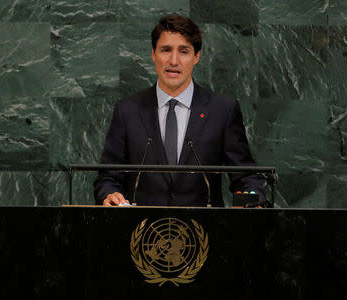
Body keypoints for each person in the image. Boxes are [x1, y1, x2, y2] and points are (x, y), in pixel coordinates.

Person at [93, 15, 265, 207]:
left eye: (184, 51)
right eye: (166, 50)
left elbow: (245, 177)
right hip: (144, 232)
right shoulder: (127, 111)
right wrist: (110, 194)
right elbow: (107, 177)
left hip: (206, 232)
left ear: (196, 57)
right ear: (153, 54)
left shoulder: (222, 110)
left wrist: (252, 198)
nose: (173, 61)